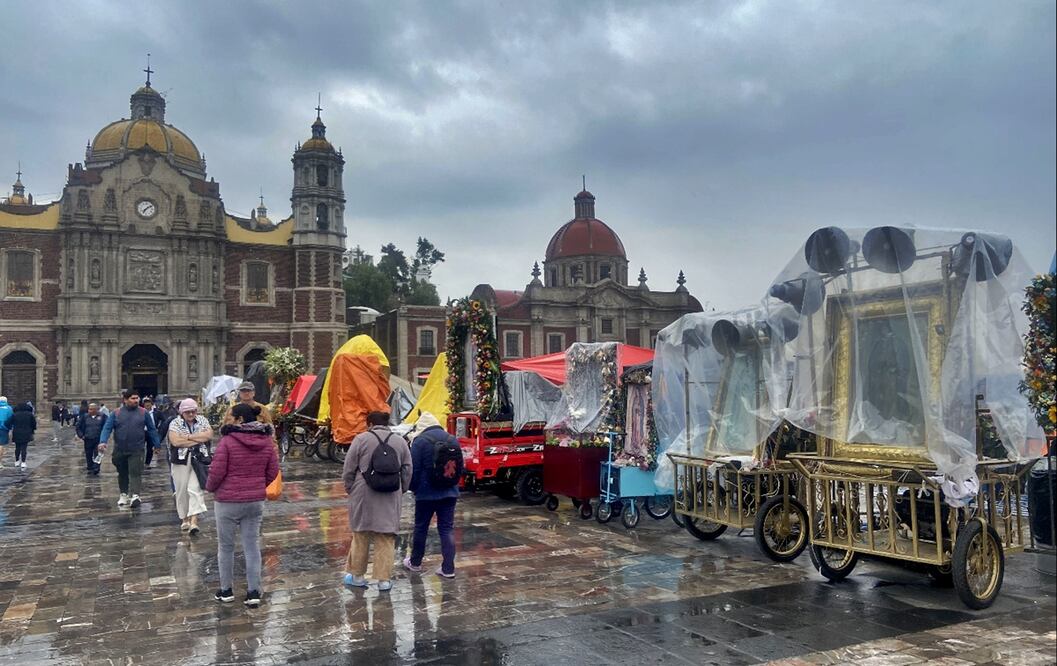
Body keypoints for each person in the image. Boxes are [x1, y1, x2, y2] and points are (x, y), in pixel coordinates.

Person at [205, 402, 279, 608]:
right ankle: (253, 591)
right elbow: (273, 470)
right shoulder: (266, 441)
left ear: (239, 420)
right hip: (254, 501)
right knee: (252, 546)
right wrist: (257, 485)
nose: (228, 420)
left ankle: (226, 590)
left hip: (227, 501)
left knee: (226, 547)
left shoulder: (227, 441)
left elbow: (217, 472)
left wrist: (210, 487)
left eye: (231, 416)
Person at [341, 410, 412, 591]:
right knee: (386, 536)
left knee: (361, 534)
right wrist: (401, 489)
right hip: (390, 492)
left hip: (363, 492)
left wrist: (350, 487)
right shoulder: (400, 441)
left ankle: (357, 577)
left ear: (370, 424)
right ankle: (384, 581)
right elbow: (407, 469)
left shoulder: (361, 439)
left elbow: (349, 468)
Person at [404, 411, 463, 579]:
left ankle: (415, 563)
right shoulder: (452, 439)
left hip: (426, 493)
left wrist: (414, 488)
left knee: (421, 527)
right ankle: (448, 568)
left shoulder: (420, 441)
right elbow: (460, 466)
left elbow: (413, 470)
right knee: (446, 529)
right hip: (449, 492)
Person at [99, 389, 160, 509]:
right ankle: (124, 494)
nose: (136, 400)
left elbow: (152, 429)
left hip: (137, 449)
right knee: (122, 473)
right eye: (133, 398)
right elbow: (107, 428)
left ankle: (136, 495)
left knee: (135, 472)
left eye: (137, 398)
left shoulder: (143, 413)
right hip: (120, 448)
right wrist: (103, 441)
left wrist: (156, 444)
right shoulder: (115, 413)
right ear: (125, 400)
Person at [168, 399, 212, 535]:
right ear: (182, 412)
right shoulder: (175, 423)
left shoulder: (203, 420)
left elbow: (209, 435)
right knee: (181, 490)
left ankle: (194, 521)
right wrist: (197, 439)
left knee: (195, 488)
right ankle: (184, 518)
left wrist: (186, 437)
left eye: (193, 411)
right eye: (188, 412)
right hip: (180, 460)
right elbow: (175, 441)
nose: (191, 414)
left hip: (199, 459)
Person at [75, 402, 106, 475]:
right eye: (89, 409)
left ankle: (96, 467)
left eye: (92, 409)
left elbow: (106, 427)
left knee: (97, 454)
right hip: (88, 438)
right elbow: (78, 426)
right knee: (88, 454)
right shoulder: (85, 417)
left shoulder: (102, 416)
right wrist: (81, 435)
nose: (90, 411)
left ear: (96, 410)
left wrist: (104, 437)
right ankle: (90, 467)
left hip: (98, 439)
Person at [9, 402, 36, 470]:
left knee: (17, 447)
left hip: (17, 432)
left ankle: (17, 461)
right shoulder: (30, 414)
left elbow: (8, 422)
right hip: (26, 432)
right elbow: (34, 424)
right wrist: (32, 430)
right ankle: (23, 462)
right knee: (24, 448)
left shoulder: (15, 415)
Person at [142, 397, 163, 469]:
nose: (147, 406)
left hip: (152, 432)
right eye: (145, 404)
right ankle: (140, 462)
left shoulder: (157, 412)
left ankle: (147, 463)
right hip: (142, 432)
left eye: (148, 404)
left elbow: (164, 420)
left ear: (151, 404)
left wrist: (159, 428)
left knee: (150, 448)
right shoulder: (140, 413)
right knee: (141, 448)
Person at [0, 396, 13, 469]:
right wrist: (10, 428)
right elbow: (10, 419)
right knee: (1, 445)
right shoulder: (9, 408)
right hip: (3, 429)